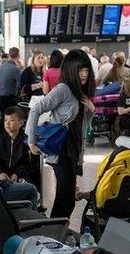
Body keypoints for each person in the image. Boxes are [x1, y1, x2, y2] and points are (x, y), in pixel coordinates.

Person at [27, 49, 96, 219]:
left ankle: (56, 236)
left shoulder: (81, 91)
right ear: (71, 70)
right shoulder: (63, 89)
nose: (84, 74)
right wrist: (31, 142)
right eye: (80, 70)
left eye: (86, 70)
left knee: (67, 199)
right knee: (65, 200)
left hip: (73, 150)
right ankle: (54, 237)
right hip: (61, 150)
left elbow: (82, 124)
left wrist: (91, 110)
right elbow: (36, 109)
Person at [0, 106, 32, 182]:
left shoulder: (26, 141)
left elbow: (28, 165)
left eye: (12, 120)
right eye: (5, 120)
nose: (7, 123)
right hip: (1, 177)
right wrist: (1, 173)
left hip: (20, 178)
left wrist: (17, 174)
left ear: (21, 123)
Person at [0, 47, 21, 131]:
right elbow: (21, 84)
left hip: (1, 97)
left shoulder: (1, 66)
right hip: (10, 99)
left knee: (3, 119)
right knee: (9, 121)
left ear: (9, 55)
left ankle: (0, 138)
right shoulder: (16, 69)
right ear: (18, 56)